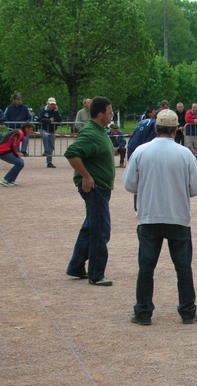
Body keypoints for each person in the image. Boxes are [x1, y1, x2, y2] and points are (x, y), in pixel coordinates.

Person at [123, 109, 197, 325]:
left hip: (149, 216)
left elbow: (129, 185)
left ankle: (143, 312)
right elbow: (196, 188)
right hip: (178, 216)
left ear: (156, 128)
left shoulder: (141, 151)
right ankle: (188, 311)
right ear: (176, 129)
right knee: (183, 267)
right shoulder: (185, 154)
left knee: (146, 268)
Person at [64, 96, 116, 286]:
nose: (112, 115)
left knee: (90, 227)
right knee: (100, 230)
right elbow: (71, 153)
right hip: (95, 189)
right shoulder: (91, 133)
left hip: (101, 188)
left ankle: (76, 266)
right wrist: (86, 176)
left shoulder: (99, 131)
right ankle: (96, 274)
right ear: (100, 114)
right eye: (109, 111)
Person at [0, 122, 35, 187]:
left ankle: (10, 180)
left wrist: (17, 153)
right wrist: (17, 153)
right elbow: (12, 145)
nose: (32, 131)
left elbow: (13, 144)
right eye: (31, 130)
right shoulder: (19, 133)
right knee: (20, 163)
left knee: (20, 162)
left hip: (5, 150)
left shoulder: (19, 132)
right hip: (3, 151)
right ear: (26, 129)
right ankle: (6, 180)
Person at [37, 97, 62, 168]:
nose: (52, 105)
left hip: (52, 130)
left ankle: (49, 162)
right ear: (47, 103)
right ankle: (46, 151)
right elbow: (39, 119)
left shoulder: (56, 111)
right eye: (51, 104)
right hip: (43, 129)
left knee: (51, 145)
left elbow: (59, 120)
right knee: (45, 136)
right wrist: (49, 120)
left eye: (53, 104)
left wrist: (56, 111)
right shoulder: (42, 110)